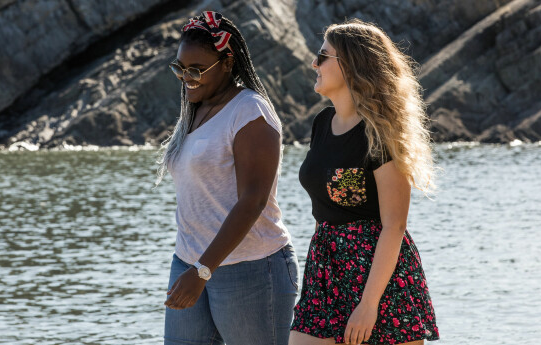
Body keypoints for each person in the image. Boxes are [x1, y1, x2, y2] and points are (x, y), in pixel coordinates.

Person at [289, 19, 440, 345]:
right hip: (325, 266)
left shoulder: (380, 134)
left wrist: (369, 304)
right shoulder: (322, 123)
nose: (314, 63)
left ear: (351, 65)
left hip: (376, 273)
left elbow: (394, 225)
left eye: (323, 55)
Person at [157, 11, 299, 345]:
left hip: (250, 268)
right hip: (188, 262)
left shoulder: (250, 112)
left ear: (227, 62)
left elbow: (253, 201)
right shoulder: (196, 108)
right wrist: (194, 267)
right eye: (180, 68)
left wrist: (203, 270)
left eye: (196, 70)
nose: (186, 77)